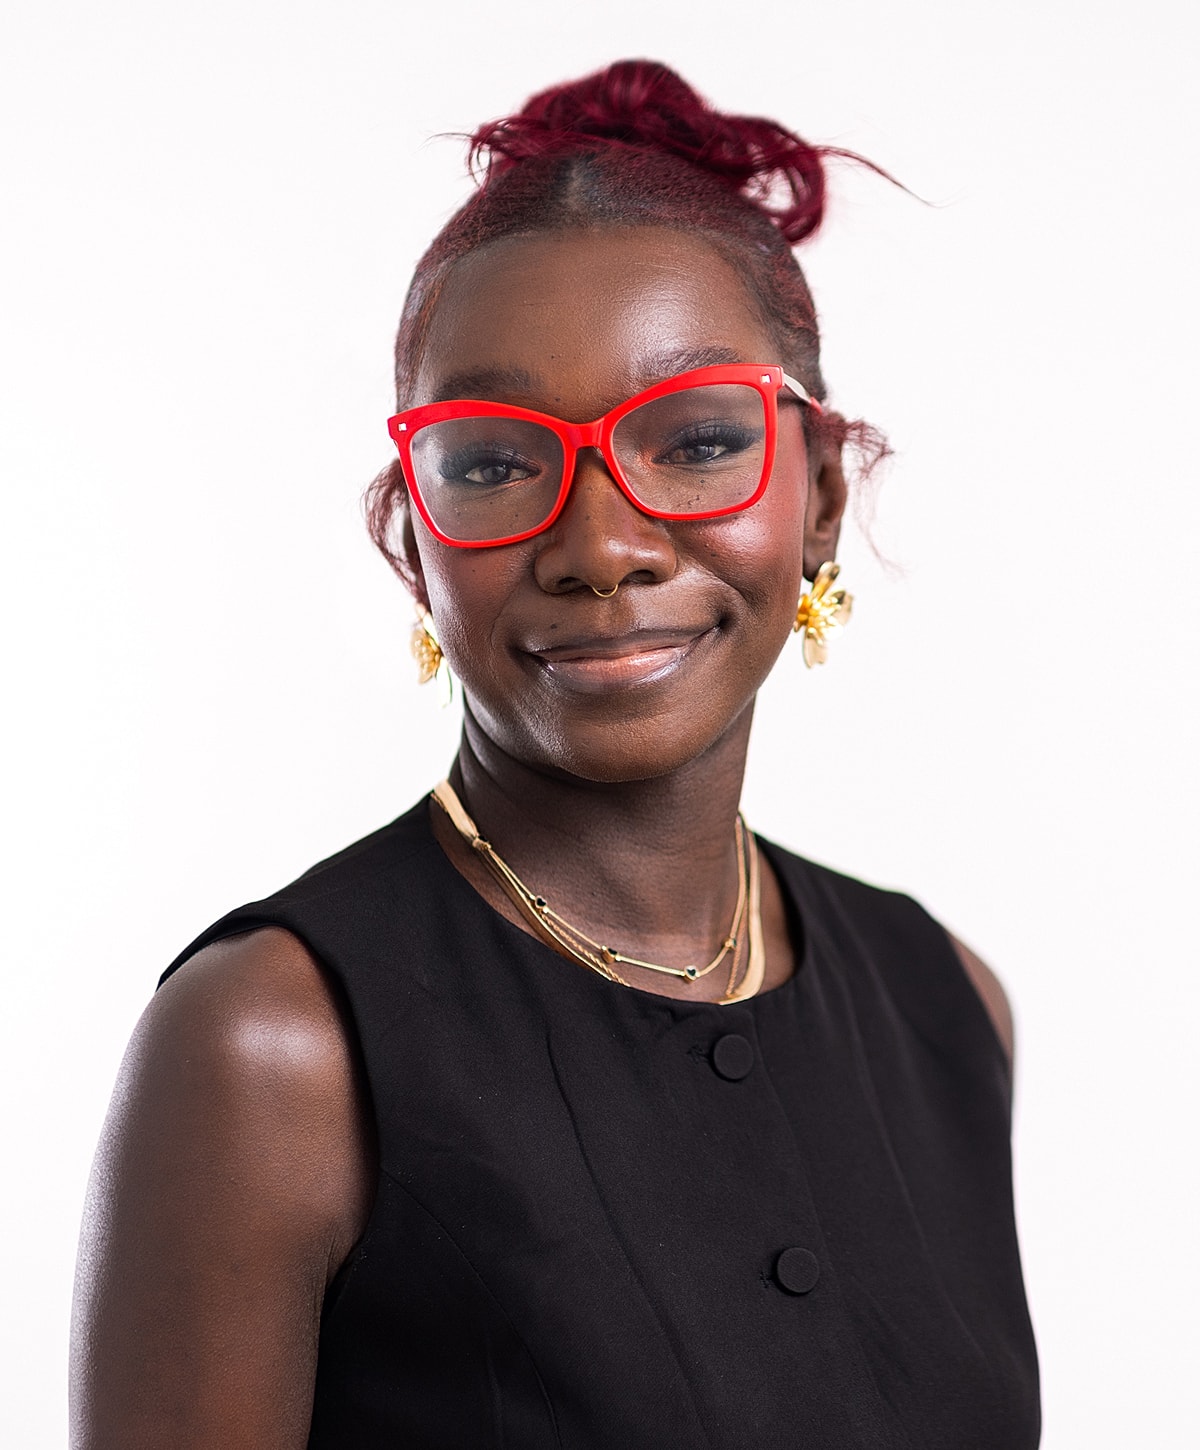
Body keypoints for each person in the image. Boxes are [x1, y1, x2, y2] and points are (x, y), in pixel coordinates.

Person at [70, 59, 1040, 1449]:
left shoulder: (946, 1004)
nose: (600, 546)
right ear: (407, 537)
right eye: (491, 462)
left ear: (821, 493)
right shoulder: (271, 1048)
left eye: (698, 439)